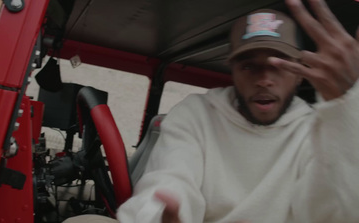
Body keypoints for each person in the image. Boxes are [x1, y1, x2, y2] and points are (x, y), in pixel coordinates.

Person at [65, 0, 359, 222]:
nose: (264, 79)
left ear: (299, 75)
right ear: (232, 71)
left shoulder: (319, 131)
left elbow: (334, 211)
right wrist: (160, 211)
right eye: (249, 66)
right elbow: (172, 177)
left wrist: (346, 107)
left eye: (279, 65)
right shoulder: (197, 113)